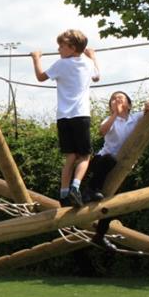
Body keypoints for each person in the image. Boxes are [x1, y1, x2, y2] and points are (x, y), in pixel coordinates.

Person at [31, 29, 100, 208]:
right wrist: (92, 56)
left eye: (61, 46)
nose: (58, 49)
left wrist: (36, 58)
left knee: (71, 156)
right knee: (85, 156)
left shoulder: (60, 64)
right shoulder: (87, 62)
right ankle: (75, 187)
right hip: (81, 115)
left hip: (63, 117)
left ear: (72, 47)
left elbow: (40, 77)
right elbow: (97, 77)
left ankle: (63, 193)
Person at [84, 91, 149, 248]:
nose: (116, 100)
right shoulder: (110, 120)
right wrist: (114, 115)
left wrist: (147, 104)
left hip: (121, 167)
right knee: (108, 159)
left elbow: (147, 111)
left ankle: (100, 234)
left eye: (120, 98)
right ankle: (90, 190)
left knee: (114, 201)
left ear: (129, 105)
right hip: (103, 162)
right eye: (113, 99)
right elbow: (102, 131)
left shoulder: (134, 118)